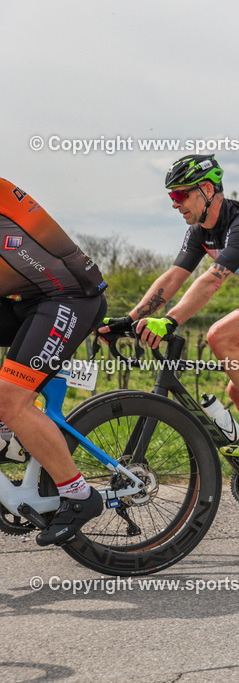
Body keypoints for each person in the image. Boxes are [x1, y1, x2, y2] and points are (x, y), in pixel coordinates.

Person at [99, 154, 239, 458]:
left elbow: (211, 282)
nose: (174, 203)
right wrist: (129, 320)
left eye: (181, 194)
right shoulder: (201, 233)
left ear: (207, 189)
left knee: (220, 336)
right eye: (171, 195)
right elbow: (173, 277)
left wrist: (170, 320)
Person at [0, 178, 108, 546]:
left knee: (12, 400)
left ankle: (78, 495)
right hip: (27, 298)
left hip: (68, 296)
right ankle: (5, 432)